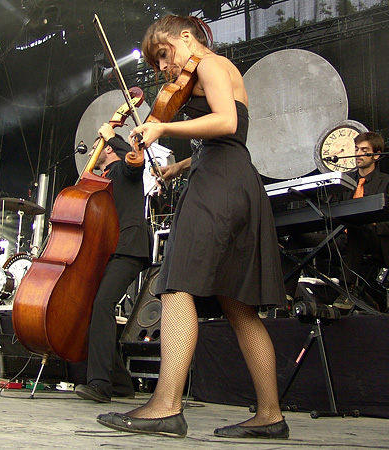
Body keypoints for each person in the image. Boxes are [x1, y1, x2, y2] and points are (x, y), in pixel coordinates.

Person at [95, 15, 288, 439]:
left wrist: (162, 126)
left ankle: (166, 405)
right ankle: (271, 416)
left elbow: (227, 123)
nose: (164, 68)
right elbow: (219, 141)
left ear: (186, 37)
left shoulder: (211, 65)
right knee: (239, 308)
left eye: (164, 55)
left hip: (219, 185)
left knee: (176, 285)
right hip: (228, 177)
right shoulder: (200, 74)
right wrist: (179, 165)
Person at [74, 125, 151, 403]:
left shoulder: (123, 170)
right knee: (97, 309)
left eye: (99, 144)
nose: (93, 149)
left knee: (103, 305)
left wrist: (113, 137)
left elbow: (134, 164)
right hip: (110, 251)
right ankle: (120, 383)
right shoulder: (103, 178)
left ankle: (100, 385)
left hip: (128, 249)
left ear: (108, 148)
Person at [338, 131, 389, 309]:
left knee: (358, 229)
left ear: (376, 155)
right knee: (300, 239)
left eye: (364, 150)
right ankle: (285, 299)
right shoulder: (345, 181)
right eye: (356, 149)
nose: (358, 154)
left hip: (374, 241)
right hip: (342, 237)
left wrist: (371, 222)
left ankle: (347, 292)